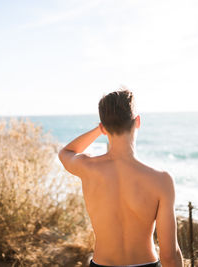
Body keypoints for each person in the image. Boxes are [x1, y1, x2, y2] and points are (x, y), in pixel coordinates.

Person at [58, 89, 184, 267]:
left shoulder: (88, 168)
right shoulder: (161, 180)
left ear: (103, 127)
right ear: (137, 122)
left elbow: (66, 152)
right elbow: (170, 255)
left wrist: (101, 128)